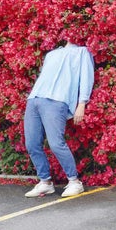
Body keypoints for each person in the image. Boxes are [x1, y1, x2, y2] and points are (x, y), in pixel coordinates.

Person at [24, 41, 95, 198]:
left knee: (56, 143)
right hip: (34, 98)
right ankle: (45, 182)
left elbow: (86, 78)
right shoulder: (52, 54)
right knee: (32, 143)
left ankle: (75, 182)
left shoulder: (83, 52)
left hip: (57, 101)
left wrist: (82, 103)